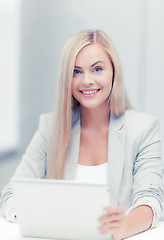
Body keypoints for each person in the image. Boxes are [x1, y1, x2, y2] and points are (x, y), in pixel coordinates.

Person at [0, 29, 164, 240]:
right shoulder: (49, 128)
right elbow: (10, 194)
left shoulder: (143, 128)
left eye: (97, 69)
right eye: (76, 71)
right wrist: (40, 216)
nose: (87, 80)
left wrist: (125, 225)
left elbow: (151, 200)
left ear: (113, 72)